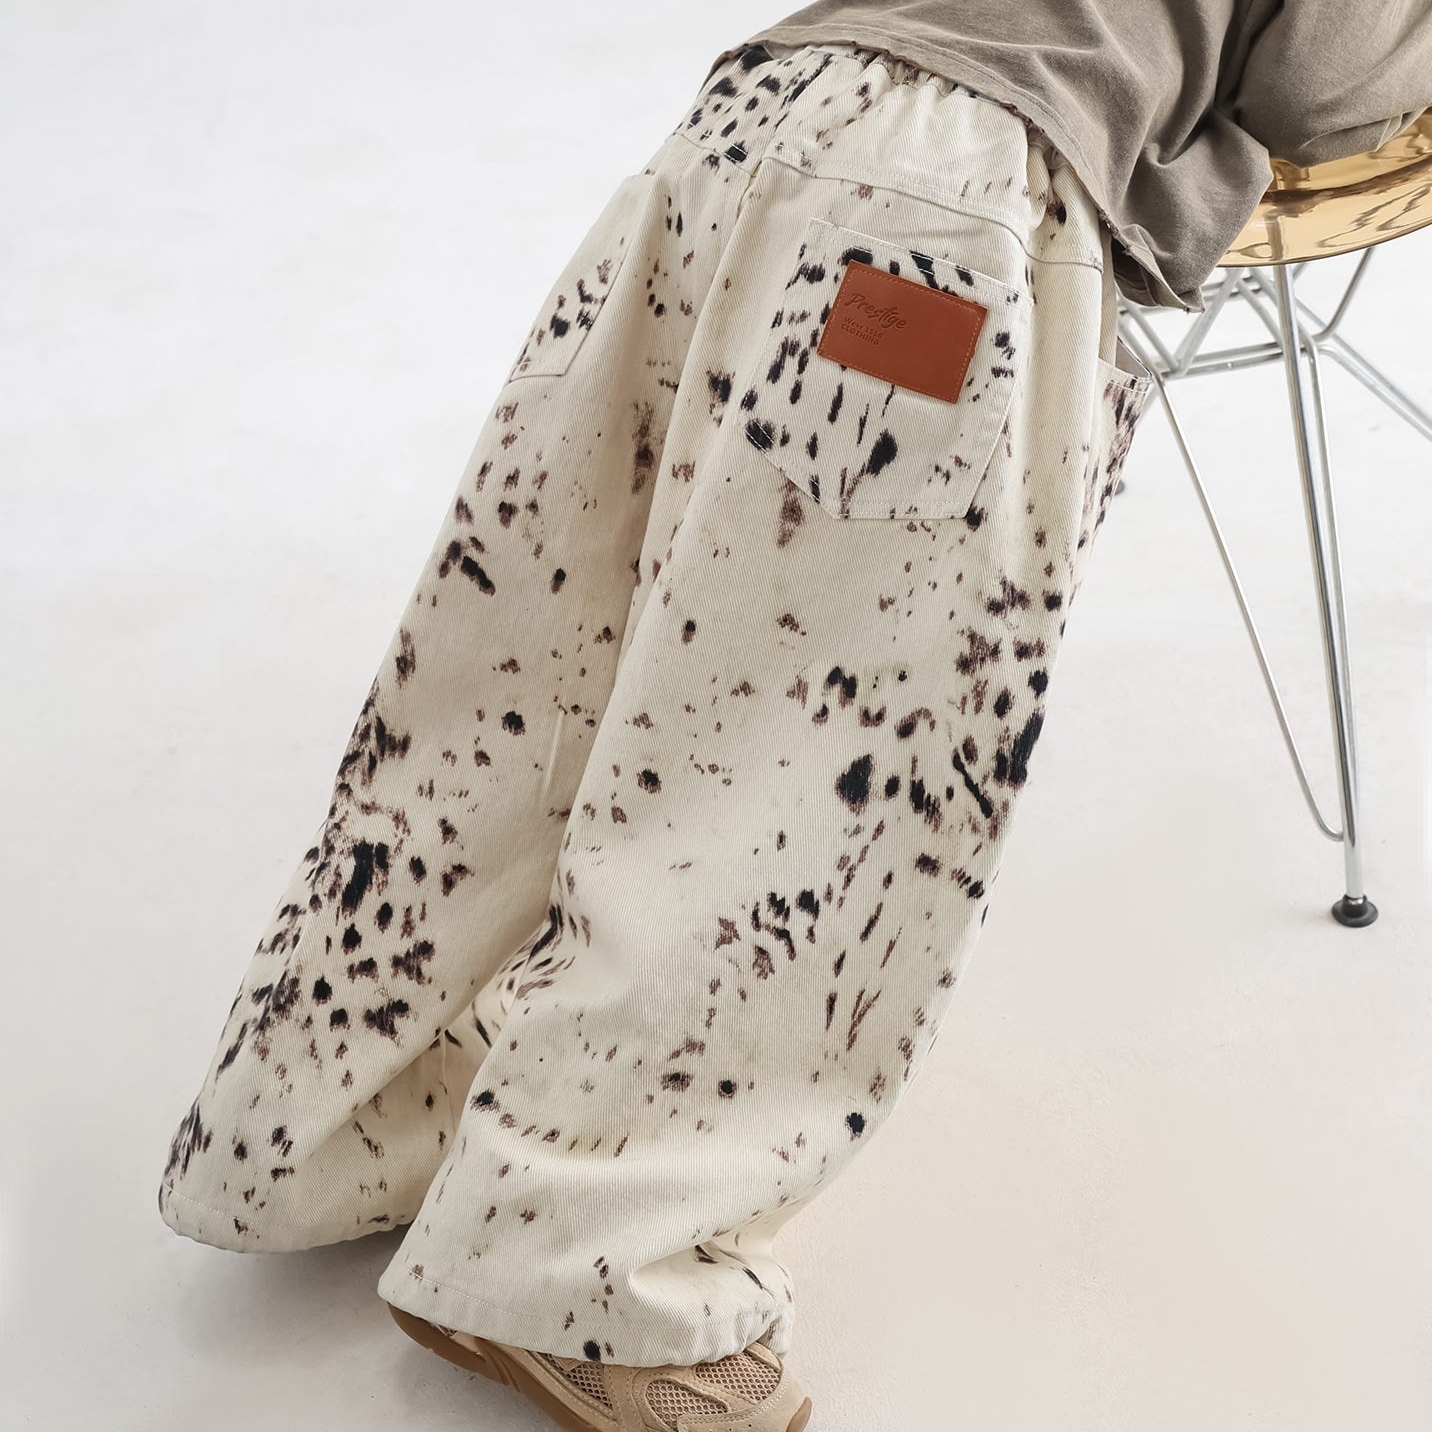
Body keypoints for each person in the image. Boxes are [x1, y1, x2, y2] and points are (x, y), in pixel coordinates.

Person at [156, 7, 1432, 1430]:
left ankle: (321, 1129)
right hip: (946, 215)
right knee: (793, 779)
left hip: (742, 133)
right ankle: (584, 1275)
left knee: (527, 682)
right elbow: (1330, 88)